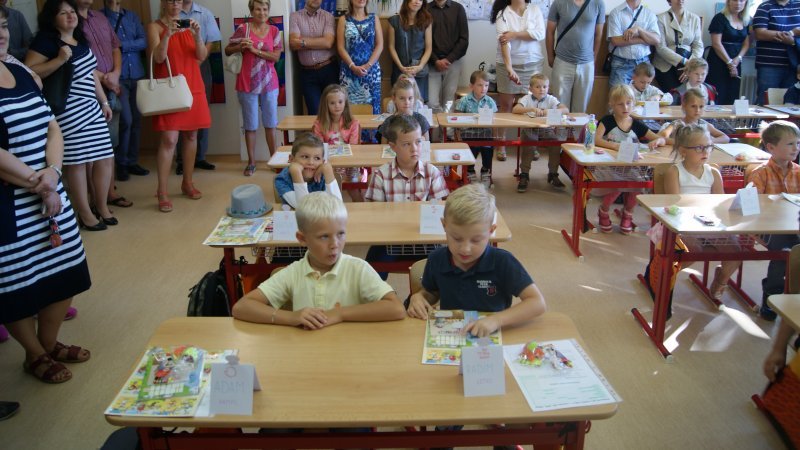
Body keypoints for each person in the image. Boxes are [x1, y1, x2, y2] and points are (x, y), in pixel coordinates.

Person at [0, 4, 92, 384]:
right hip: (10, 201)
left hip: (49, 191)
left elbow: (53, 126)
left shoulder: (20, 69)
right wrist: (35, 180)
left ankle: (49, 342)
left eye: (2, 26)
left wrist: (52, 173)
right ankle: (34, 354)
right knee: (17, 284)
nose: (1, 34)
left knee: (66, 269)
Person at [232, 192, 407, 328]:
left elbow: (396, 309)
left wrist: (340, 314)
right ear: (302, 239)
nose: (334, 244)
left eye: (341, 234)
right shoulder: (294, 272)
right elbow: (242, 307)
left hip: (351, 351)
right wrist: (291, 317)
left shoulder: (358, 269)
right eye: (324, 237)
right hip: (309, 352)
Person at [26, 0, 117, 231]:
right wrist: (58, 60)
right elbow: (30, 71)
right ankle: (85, 214)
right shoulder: (46, 41)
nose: (70, 16)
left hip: (92, 108)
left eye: (72, 12)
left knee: (105, 158)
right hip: (69, 111)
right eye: (63, 13)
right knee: (77, 163)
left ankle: (101, 207)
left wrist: (104, 101)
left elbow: (91, 74)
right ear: (52, 18)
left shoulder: (80, 39)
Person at [407, 183, 547, 330]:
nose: (465, 249)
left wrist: (497, 320)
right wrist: (420, 297)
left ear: (491, 230)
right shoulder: (436, 259)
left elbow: (537, 303)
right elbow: (432, 292)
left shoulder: (503, 262)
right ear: (444, 225)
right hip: (453, 333)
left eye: (476, 240)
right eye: (457, 238)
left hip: (492, 334)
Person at [365, 114, 449, 280]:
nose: (414, 149)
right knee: (369, 275)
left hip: (425, 239)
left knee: (442, 272)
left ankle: (421, 294)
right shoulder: (381, 175)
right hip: (389, 240)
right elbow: (373, 216)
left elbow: (440, 210)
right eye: (406, 144)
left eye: (418, 142)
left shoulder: (432, 173)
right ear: (393, 147)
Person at [662, 123, 740, 302]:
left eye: (708, 147)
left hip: (709, 222)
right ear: (683, 151)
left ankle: (721, 280)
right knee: (691, 251)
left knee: (736, 251)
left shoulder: (713, 172)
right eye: (699, 148)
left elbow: (720, 204)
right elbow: (673, 204)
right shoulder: (674, 172)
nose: (705, 151)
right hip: (683, 223)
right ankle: (664, 278)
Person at [146, 0, 211, 213]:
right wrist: (168, 35)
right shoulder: (155, 27)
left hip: (193, 86)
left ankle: (187, 183)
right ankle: (162, 191)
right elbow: (158, 58)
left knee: (191, 136)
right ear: (164, 3)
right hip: (170, 89)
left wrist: (197, 36)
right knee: (169, 139)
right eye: (170, 0)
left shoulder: (190, 24)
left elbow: (201, 56)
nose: (175, 3)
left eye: (178, 0)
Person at [595, 84, 666, 235]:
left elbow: (658, 138)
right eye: (620, 104)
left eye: (629, 103)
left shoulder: (636, 124)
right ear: (612, 105)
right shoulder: (607, 121)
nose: (625, 107)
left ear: (634, 103)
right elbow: (596, 140)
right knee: (617, 187)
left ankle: (628, 214)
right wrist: (615, 146)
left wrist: (658, 141)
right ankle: (604, 210)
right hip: (611, 165)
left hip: (632, 166)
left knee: (637, 188)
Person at [747, 120, 800, 320]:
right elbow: (751, 206)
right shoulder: (760, 173)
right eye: (790, 144)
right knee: (784, 252)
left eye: (798, 143)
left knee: (796, 248)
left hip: (794, 225)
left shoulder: (798, 171)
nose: (796, 148)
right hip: (768, 227)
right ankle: (771, 296)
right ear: (771, 147)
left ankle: (794, 297)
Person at [225, 0, 282, 177]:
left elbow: (276, 57)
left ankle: (274, 160)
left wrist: (255, 51)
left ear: (268, 10)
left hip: (269, 83)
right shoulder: (244, 29)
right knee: (250, 125)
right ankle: (251, 162)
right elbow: (227, 50)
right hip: (246, 82)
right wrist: (240, 46)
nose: (262, 12)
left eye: (265, 9)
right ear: (251, 11)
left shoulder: (274, 31)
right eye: (258, 9)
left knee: (271, 123)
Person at [490, 0, 545, 162]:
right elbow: (504, 42)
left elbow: (540, 34)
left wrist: (514, 34)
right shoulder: (503, 13)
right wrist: (509, 67)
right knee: (506, 106)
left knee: (530, 105)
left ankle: (531, 145)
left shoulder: (534, 9)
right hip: (507, 64)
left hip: (532, 63)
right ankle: (501, 145)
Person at [102, 0, 149, 182]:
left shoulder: (132, 16)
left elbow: (143, 41)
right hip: (117, 78)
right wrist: (123, 45)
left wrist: (122, 45)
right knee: (125, 121)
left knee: (136, 120)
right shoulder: (101, 18)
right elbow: (106, 45)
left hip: (136, 74)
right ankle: (121, 163)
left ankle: (132, 161)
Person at [175, 0, 221, 175]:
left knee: (201, 111)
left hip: (201, 66)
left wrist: (198, 62)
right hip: (178, 67)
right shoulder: (172, 12)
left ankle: (200, 157)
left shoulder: (205, 13)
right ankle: (182, 160)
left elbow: (211, 42)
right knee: (180, 112)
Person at [545, 0, 605, 113]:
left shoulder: (598, 3)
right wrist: (550, 56)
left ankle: (577, 126)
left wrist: (594, 57)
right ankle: (560, 126)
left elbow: (599, 34)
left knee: (581, 109)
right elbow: (549, 31)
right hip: (562, 61)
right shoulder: (559, 3)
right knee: (559, 107)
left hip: (586, 64)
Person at [512, 73, 569, 192]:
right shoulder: (526, 98)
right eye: (538, 87)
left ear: (548, 88)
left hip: (546, 129)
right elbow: (515, 109)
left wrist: (549, 111)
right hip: (529, 128)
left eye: (544, 87)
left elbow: (566, 110)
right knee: (529, 146)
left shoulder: (551, 99)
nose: (542, 89)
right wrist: (531, 109)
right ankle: (524, 174)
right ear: (531, 88)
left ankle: (553, 173)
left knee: (556, 144)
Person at [311, 84, 363, 201]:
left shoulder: (353, 123)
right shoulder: (319, 124)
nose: (337, 106)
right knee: (327, 185)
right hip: (328, 162)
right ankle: (331, 204)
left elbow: (353, 147)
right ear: (326, 105)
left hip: (349, 162)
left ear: (345, 103)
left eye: (340, 102)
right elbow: (318, 148)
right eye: (332, 103)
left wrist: (344, 162)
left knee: (353, 186)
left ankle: (359, 205)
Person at [427, 0, 468, 140]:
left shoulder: (458, 9)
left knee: (449, 102)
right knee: (432, 102)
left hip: (453, 63)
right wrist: (435, 60)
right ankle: (435, 138)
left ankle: (447, 136)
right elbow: (422, 39)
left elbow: (464, 39)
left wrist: (449, 59)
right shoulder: (426, 9)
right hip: (431, 63)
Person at [289, 0, 337, 115]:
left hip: (329, 70)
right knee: (314, 112)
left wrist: (303, 42)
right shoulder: (295, 16)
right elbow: (293, 43)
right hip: (308, 74)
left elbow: (328, 43)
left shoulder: (328, 17)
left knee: (334, 112)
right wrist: (320, 42)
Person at [337, 0, 383, 117]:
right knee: (349, 111)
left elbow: (380, 45)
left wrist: (368, 66)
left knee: (373, 110)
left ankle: (371, 131)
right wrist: (352, 66)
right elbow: (340, 47)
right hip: (349, 73)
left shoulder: (374, 18)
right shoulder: (343, 19)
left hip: (371, 72)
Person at [274, 133, 342, 209]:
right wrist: (296, 173)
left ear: (323, 162)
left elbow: (338, 206)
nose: (311, 162)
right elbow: (304, 208)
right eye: (305, 157)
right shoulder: (282, 180)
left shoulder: (323, 175)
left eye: (317, 158)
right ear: (291, 159)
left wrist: (328, 169)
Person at [453, 70, 496, 189]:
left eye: (486, 85)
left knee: (488, 150)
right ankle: (470, 171)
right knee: (471, 151)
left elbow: (495, 119)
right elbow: (456, 117)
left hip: (485, 133)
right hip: (468, 133)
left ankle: (486, 171)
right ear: (471, 86)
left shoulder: (490, 101)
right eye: (480, 85)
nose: (484, 88)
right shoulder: (464, 100)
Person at [753, 0, 800, 105]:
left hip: (794, 66)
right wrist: (790, 34)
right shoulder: (765, 6)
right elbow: (760, 33)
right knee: (764, 102)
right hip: (769, 65)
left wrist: (792, 41)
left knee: (790, 103)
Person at [652, 0, 703, 94]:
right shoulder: (660, 18)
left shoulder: (694, 18)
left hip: (690, 64)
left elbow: (698, 45)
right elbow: (660, 47)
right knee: (673, 95)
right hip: (665, 65)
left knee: (689, 94)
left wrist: (691, 64)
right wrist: (684, 61)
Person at [607, 0, 661, 88]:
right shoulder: (616, 12)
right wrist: (643, 39)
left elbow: (656, 40)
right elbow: (615, 40)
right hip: (621, 63)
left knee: (643, 96)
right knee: (619, 95)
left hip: (644, 63)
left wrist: (639, 30)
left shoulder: (649, 14)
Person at [707, 0, 751, 105]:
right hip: (718, 62)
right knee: (717, 96)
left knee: (732, 96)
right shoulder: (719, 18)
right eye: (735, 0)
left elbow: (746, 44)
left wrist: (738, 59)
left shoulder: (747, 20)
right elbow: (716, 43)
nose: (738, 3)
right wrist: (730, 63)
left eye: (741, 0)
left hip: (736, 63)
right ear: (728, 2)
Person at [388, 0, 432, 102]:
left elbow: (428, 48)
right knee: (400, 103)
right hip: (399, 70)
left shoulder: (427, 21)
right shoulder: (394, 21)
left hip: (418, 71)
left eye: (420, 0)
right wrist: (401, 67)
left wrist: (420, 66)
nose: (417, 2)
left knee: (419, 103)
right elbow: (391, 47)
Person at [658, 88, 730, 145]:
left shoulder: (705, 125)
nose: (697, 110)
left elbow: (726, 138)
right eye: (693, 106)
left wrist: (710, 140)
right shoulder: (677, 124)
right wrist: (684, 143)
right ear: (684, 106)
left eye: (701, 107)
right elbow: (661, 137)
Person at [376, 78, 431, 142]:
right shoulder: (389, 122)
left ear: (414, 98)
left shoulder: (421, 120)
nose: (407, 102)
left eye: (410, 98)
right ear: (394, 99)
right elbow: (383, 145)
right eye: (402, 98)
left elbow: (427, 144)